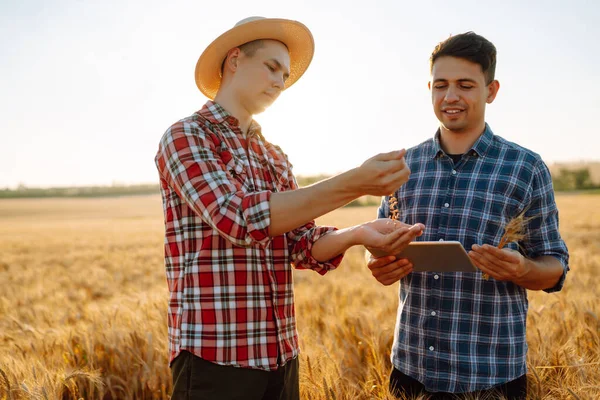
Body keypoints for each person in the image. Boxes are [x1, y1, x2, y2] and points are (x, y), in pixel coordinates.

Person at [154, 16, 423, 400]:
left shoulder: (274, 155)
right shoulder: (187, 135)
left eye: (285, 75)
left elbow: (299, 244)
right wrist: (355, 183)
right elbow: (238, 218)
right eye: (272, 67)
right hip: (215, 358)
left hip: (281, 356)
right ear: (234, 60)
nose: (281, 82)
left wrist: (358, 233)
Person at [367, 32, 569, 400]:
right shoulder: (402, 167)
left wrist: (523, 270)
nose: (451, 96)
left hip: (491, 376)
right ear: (429, 88)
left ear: (491, 90)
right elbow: (378, 243)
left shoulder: (524, 167)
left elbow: (555, 266)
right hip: (411, 372)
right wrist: (377, 263)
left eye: (465, 85)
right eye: (441, 85)